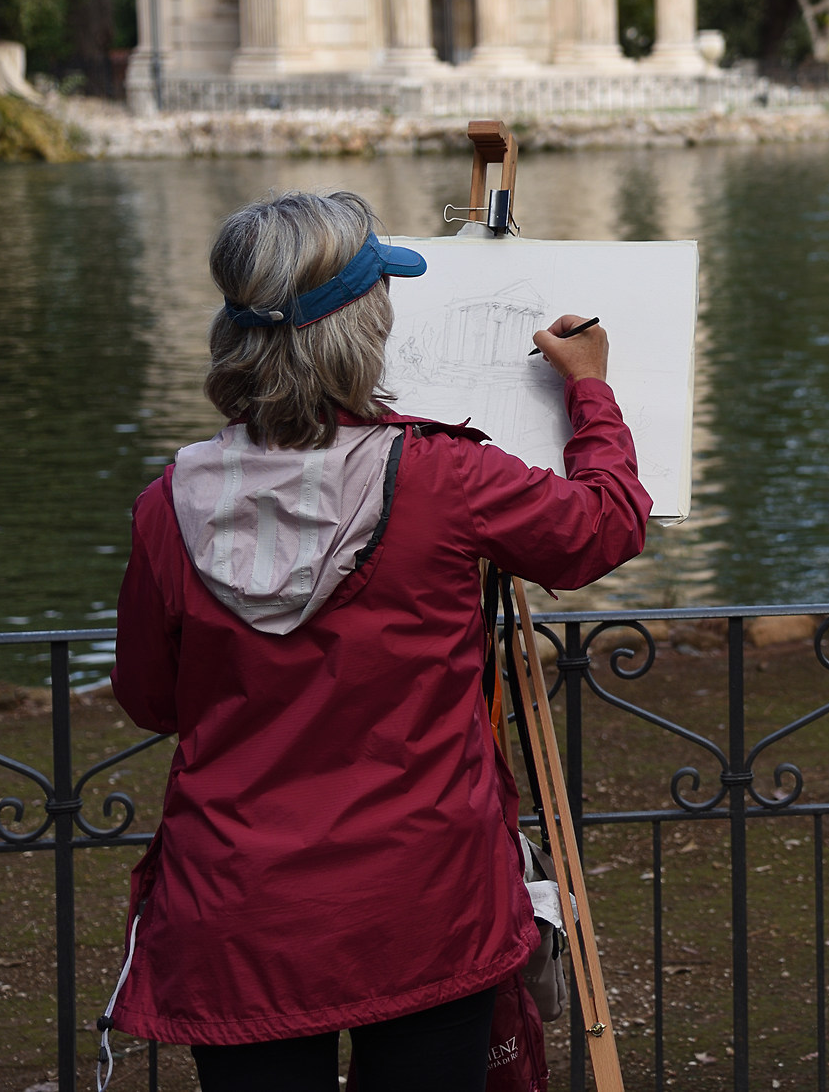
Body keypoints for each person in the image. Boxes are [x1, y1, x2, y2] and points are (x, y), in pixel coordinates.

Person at [103, 191, 649, 1089]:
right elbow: (603, 526)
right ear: (361, 331)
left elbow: (151, 700)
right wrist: (591, 388)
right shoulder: (443, 475)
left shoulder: (167, 506)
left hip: (240, 909)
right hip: (423, 901)